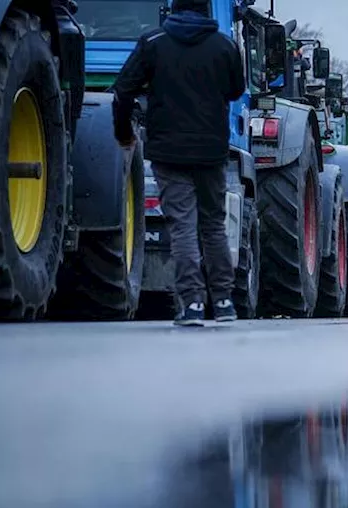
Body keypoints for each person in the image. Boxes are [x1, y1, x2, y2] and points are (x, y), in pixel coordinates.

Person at [113, 0, 246, 327]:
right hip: (212, 151)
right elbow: (236, 90)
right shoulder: (224, 45)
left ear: (171, 8)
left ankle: (193, 306)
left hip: (168, 152)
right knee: (213, 225)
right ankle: (225, 302)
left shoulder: (154, 43)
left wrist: (124, 132)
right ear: (205, 10)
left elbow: (123, 91)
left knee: (183, 227)